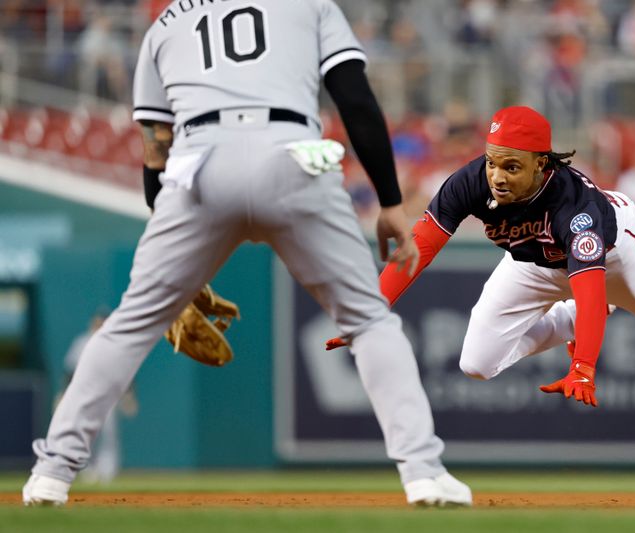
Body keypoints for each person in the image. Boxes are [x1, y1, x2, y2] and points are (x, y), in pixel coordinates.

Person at [23, 0, 471, 507]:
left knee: (129, 324)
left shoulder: (166, 23)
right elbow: (356, 100)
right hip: (292, 151)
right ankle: (423, 474)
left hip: (198, 163)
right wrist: (390, 201)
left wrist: (174, 262)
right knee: (368, 322)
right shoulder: (311, 4)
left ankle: (51, 474)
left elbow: (155, 151)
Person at [328, 105, 635, 408]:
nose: (497, 176)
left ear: (542, 164)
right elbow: (419, 250)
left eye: (511, 165)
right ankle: (562, 322)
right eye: (492, 162)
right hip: (532, 262)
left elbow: (589, 289)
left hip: (613, 249)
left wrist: (582, 365)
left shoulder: (573, 206)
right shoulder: (468, 183)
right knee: (476, 364)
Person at [60, 311, 138, 484]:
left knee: (109, 434)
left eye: (102, 323)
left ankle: (108, 470)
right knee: (85, 432)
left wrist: (129, 394)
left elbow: (126, 371)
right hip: (85, 394)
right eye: (97, 323)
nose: (99, 326)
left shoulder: (116, 344)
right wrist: (63, 394)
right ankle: (87, 470)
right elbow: (69, 371)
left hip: (109, 393)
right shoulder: (82, 343)